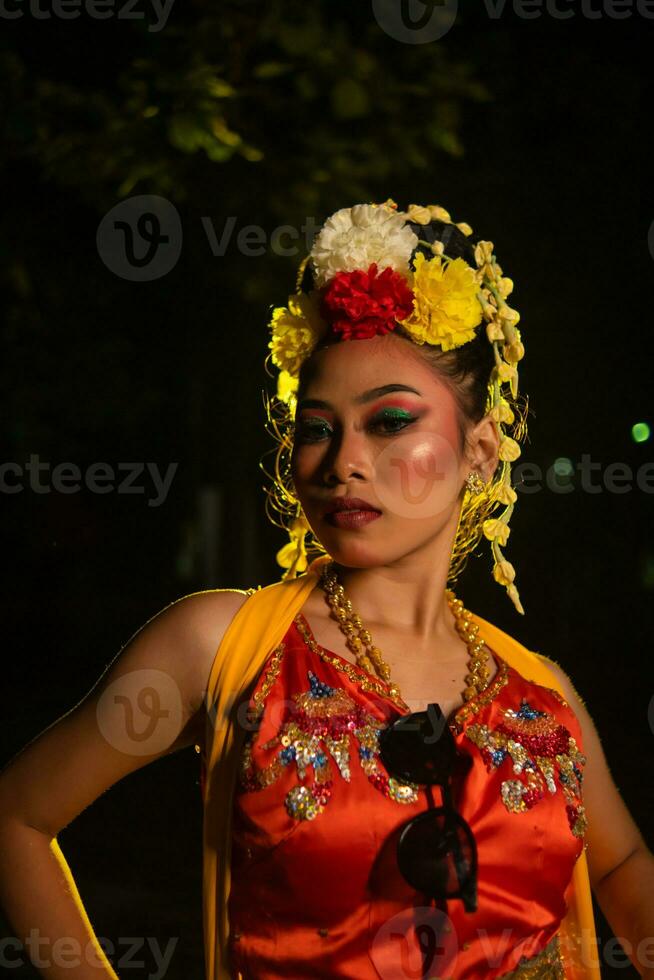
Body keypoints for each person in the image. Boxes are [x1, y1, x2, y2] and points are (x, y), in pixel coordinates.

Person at [0, 200, 651, 980]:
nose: (344, 460)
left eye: (388, 423)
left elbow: (620, 868)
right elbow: (17, 816)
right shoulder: (223, 648)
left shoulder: (543, 697)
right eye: (316, 427)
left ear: (481, 447)